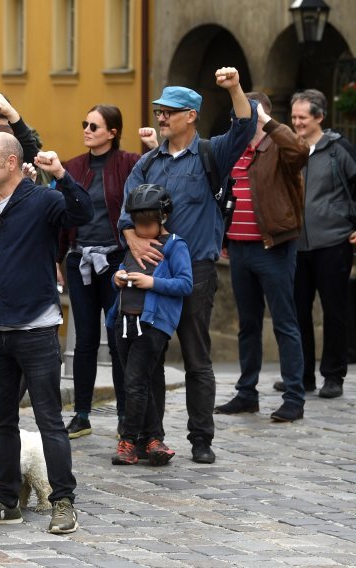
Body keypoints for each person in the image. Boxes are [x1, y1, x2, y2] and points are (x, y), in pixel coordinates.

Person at [0, 132, 94, 534]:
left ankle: (63, 501)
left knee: (50, 421)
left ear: (11, 163)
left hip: (36, 331)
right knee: (0, 423)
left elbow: (83, 212)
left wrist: (63, 176)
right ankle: (4, 500)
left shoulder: (44, 201)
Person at [119, 67, 257, 464]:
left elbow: (245, 126)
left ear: (191, 116)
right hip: (150, 275)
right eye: (159, 111)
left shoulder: (213, 153)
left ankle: (201, 439)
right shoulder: (148, 163)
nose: (161, 118)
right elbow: (126, 209)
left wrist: (233, 88)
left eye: (170, 112)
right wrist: (130, 236)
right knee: (150, 357)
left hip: (195, 271)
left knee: (197, 358)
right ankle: (153, 437)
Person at [214, 93, 309, 422]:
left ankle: (294, 397)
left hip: (274, 248)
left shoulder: (279, 149)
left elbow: (300, 150)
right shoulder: (234, 151)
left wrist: (265, 120)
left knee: (285, 324)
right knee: (248, 326)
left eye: (247, 115)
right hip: (238, 250)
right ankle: (247, 394)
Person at [58, 104, 141, 439]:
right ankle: (81, 414)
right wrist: (58, 259)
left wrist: (150, 145)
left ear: (113, 132)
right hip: (80, 262)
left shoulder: (129, 163)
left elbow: (147, 188)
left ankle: (125, 414)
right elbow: (62, 214)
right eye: (85, 124)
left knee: (120, 338)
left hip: (116, 261)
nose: (87, 130)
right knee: (85, 339)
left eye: (94, 125)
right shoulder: (73, 167)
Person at [275, 89, 356, 400]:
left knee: (334, 310)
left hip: (333, 241)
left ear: (319, 118)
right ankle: (302, 376)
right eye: (293, 117)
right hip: (295, 243)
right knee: (296, 313)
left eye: (302, 118)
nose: (296, 123)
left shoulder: (339, 149)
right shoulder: (287, 148)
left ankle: (333, 376)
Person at [107, 184, 192, 465]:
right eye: (137, 223)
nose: (141, 230)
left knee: (134, 383)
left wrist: (151, 282)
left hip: (152, 325)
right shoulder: (132, 242)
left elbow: (185, 283)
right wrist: (118, 277)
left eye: (147, 223)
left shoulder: (175, 245)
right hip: (123, 321)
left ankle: (128, 440)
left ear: (163, 218)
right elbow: (123, 269)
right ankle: (154, 439)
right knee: (138, 382)